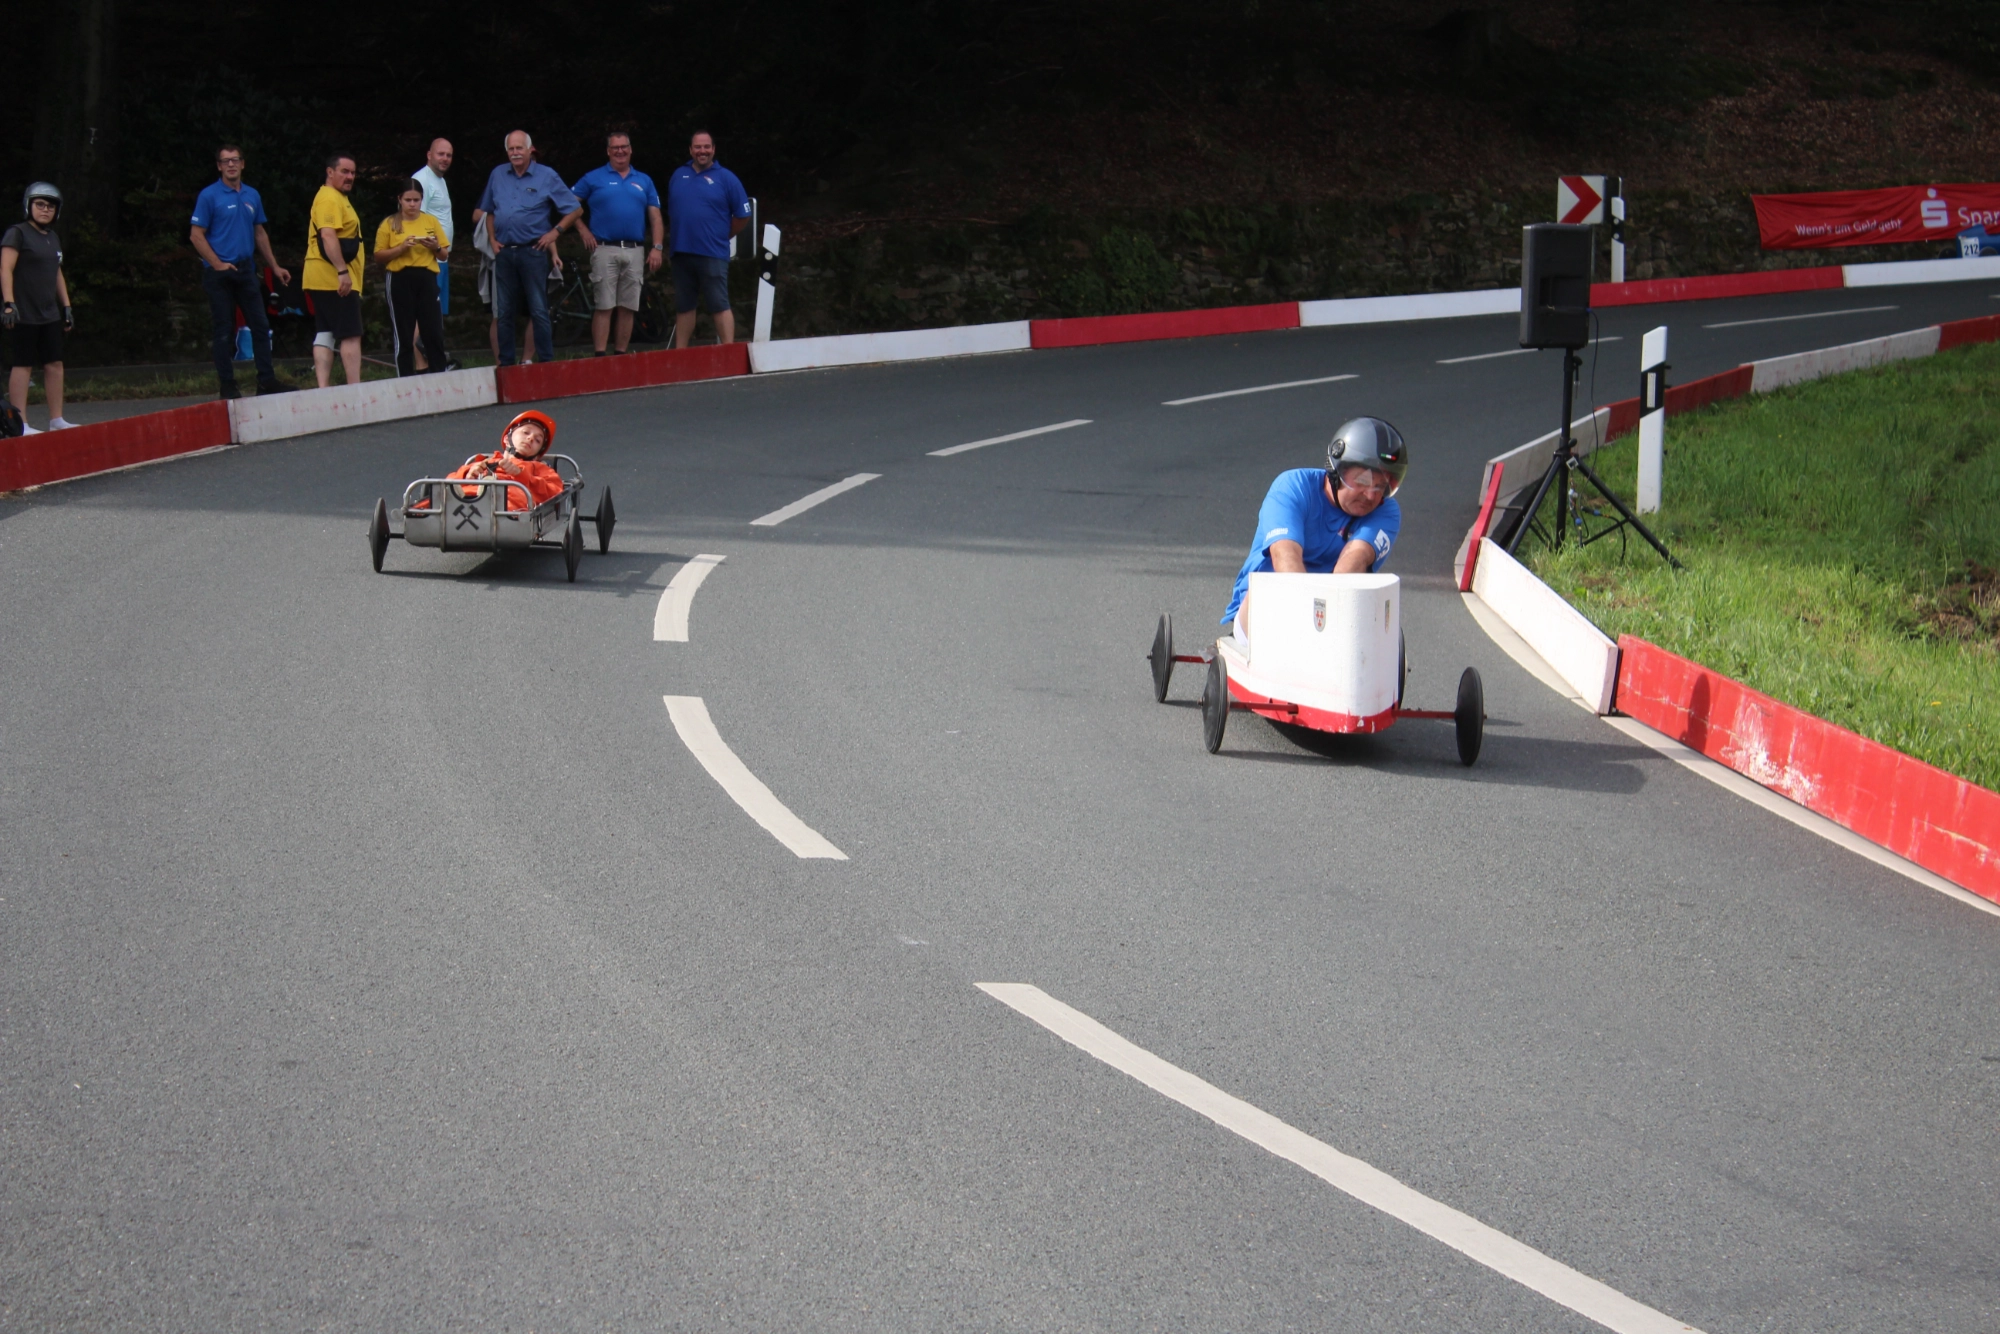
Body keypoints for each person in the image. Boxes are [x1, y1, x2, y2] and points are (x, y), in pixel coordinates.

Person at [1220, 417, 1406, 647]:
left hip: (1329, 620)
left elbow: (1353, 562)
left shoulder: (1386, 510)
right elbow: (1285, 558)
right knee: (1269, 591)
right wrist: (1308, 631)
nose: (1370, 495)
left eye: (1380, 486)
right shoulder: (1292, 487)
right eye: (1362, 481)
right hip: (1263, 611)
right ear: (1337, 470)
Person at [189, 145, 293, 400]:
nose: (231, 165)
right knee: (224, 329)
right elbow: (196, 235)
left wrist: (275, 266)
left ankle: (266, 380)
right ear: (219, 167)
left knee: (260, 325)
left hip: (246, 269)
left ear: (243, 164)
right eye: (225, 162)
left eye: (235, 160)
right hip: (219, 273)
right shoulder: (209, 196)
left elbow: (259, 232)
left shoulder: (251, 195)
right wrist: (216, 263)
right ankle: (228, 385)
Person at [472, 131, 582, 366]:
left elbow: (575, 209)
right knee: (504, 312)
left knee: (539, 309)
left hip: (532, 251)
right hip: (504, 252)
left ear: (530, 150)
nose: (515, 153)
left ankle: (546, 362)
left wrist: (554, 233)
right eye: (511, 149)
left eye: (519, 148)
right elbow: (488, 210)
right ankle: (507, 364)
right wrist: (492, 240)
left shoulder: (546, 175)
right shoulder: (498, 174)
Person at [571, 131, 663, 355]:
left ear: (631, 149)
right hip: (604, 248)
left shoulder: (644, 180)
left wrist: (657, 247)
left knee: (628, 306)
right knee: (604, 306)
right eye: (615, 147)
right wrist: (583, 230)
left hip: (634, 250)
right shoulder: (594, 177)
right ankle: (601, 356)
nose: (620, 151)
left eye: (624, 147)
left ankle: (621, 355)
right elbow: (567, 204)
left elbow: (655, 217)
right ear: (608, 151)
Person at [1, 182, 76, 434]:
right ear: (28, 206)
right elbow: (5, 268)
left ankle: (57, 419)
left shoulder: (52, 237)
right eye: (40, 205)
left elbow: (57, 273)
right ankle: (19, 423)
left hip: (49, 312)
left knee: (54, 363)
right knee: (22, 365)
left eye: (50, 206)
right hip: (24, 311)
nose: (45, 210)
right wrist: (9, 303)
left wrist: (66, 305)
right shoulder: (17, 233)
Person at [665, 130, 750, 348]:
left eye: (706, 147)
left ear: (713, 149)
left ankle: (729, 351)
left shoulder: (727, 178)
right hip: (681, 252)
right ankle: (679, 355)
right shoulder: (678, 175)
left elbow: (742, 215)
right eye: (697, 147)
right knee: (684, 306)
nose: (702, 151)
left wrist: (723, 235)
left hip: (712, 252)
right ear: (690, 150)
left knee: (719, 304)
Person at [374, 180, 450, 378]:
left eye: (416, 200)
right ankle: (405, 378)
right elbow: (378, 256)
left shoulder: (430, 221)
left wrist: (434, 246)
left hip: (426, 277)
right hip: (400, 277)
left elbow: (444, 254)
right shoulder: (389, 223)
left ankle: (439, 374)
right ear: (400, 200)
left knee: (432, 330)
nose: (412, 204)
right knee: (404, 332)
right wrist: (401, 248)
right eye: (408, 200)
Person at [417, 410, 564, 511]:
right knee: (450, 488)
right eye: (525, 432)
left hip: (509, 502)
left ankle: (489, 495)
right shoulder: (484, 462)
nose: (531, 438)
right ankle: (423, 509)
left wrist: (521, 475)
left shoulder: (538, 468)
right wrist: (468, 473)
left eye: (538, 440)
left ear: (538, 454)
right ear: (507, 438)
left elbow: (555, 492)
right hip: (469, 494)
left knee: (510, 498)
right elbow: (451, 478)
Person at [303, 152, 365, 388]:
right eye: (344, 172)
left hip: (319, 276)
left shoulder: (335, 196)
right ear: (330, 172)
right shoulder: (329, 198)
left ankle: (323, 389)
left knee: (326, 331)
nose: (350, 177)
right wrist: (342, 271)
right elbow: (327, 234)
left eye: (352, 172)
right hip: (332, 278)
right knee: (350, 334)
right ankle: (354, 389)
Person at [410, 138, 456, 344]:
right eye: (441, 154)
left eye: (449, 155)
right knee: (425, 314)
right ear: (429, 155)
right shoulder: (421, 180)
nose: (445, 159)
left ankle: (433, 363)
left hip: (441, 258)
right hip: (429, 259)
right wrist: (435, 250)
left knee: (435, 314)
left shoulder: (440, 180)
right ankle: (421, 368)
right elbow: (417, 219)